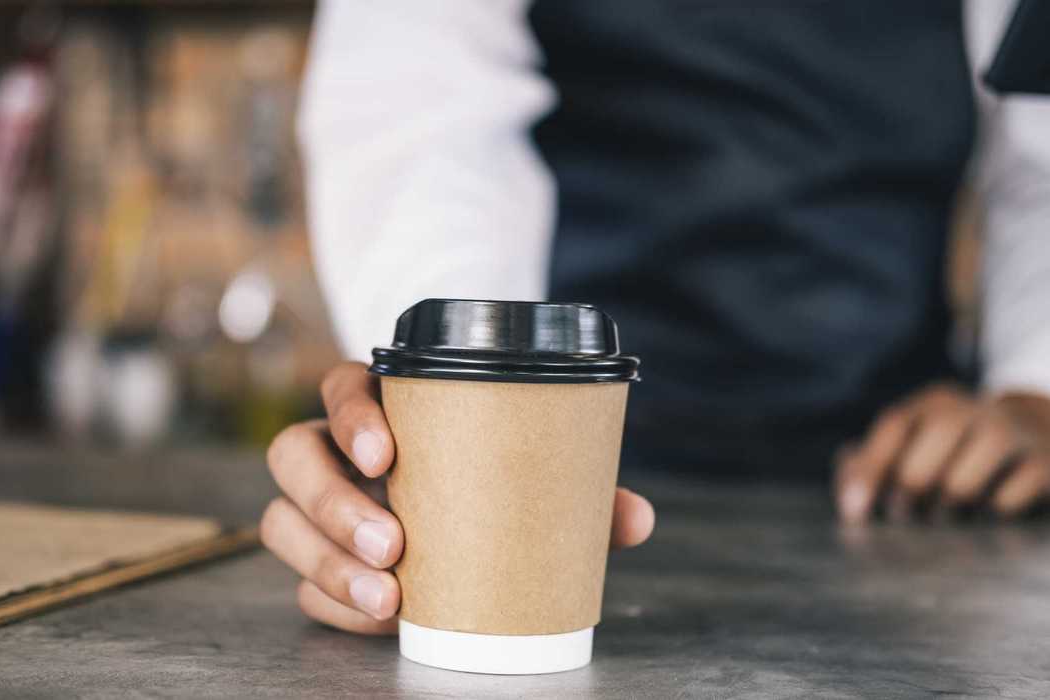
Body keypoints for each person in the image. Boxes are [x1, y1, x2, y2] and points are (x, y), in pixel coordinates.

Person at [260, 0, 1050, 634]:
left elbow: (1039, 159)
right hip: (579, 475)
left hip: (907, 495)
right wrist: (453, 427)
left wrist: (1036, 389)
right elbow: (418, 109)